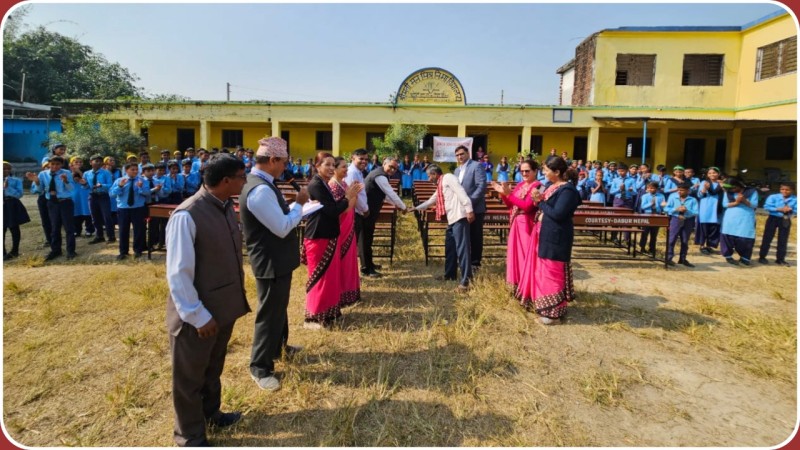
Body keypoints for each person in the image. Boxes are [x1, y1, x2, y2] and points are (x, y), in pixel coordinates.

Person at [165, 153, 249, 447]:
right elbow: (178, 274)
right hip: (197, 317)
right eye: (242, 177)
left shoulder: (224, 206)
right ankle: (190, 436)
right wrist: (197, 315)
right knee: (189, 379)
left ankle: (211, 414)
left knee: (213, 368)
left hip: (221, 309)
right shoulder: (187, 215)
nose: (245, 181)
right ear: (226, 181)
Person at [240, 137, 310, 391]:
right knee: (269, 314)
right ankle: (260, 367)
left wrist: (294, 208)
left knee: (278, 307)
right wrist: (299, 205)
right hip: (270, 260)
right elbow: (281, 226)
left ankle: (280, 347)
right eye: (283, 163)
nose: (285, 168)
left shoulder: (264, 184)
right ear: (272, 160)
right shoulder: (259, 190)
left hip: (277, 259)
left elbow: (275, 217)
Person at [516, 156, 582, 324]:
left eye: (546, 170)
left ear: (557, 172)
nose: (543, 173)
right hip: (545, 234)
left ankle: (553, 314)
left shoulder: (568, 191)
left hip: (557, 237)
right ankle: (544, 307)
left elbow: (558, 214)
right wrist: (538, 201)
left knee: (552, 272)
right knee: (543, 271)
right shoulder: (551, 186)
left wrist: (540, 202)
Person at [304, 152, 361, 328]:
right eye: (327, 165)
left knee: (330, 278)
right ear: (317, 166)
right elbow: (333, 210)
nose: (330, 168)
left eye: (332, 164)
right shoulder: (316, 184)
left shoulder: (323, 183)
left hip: (328, 234)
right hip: (319, 236)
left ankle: (328, 313)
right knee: (320, 278)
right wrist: (348, 196)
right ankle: (314, 317)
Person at [414, 164, 475, 291]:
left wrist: (469, 209)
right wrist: (415, 208)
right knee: (450, 248)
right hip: (452, 219)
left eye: (429, 176)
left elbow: (461, 192)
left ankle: (466, 281)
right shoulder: (441, 184)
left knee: (462, 249)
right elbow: (432, 200)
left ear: (435, 174)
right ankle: (450, 275)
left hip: (460, 216)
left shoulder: (448, 178)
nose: (428, 179)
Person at [491, 159, 541, 295]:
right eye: (521, 171)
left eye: (527, 171)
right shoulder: (520, 185)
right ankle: (517, 285)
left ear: (535, 171)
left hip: (527, 224)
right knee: (515, 255)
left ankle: (527, 288)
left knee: (525, 255)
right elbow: (511, 204)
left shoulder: (539, 186)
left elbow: (527, 206)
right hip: (516, 223)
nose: (524, 173)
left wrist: (508, 194)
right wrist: (503, 194)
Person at [362, 156, 409, 277]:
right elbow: (390, 193)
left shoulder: (381, 174)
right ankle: (367, 268)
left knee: (369, 238)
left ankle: (369, 264)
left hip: (370, 211)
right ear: (384, 164)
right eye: (391, 167)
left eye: (395, 168)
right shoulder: (380, 176)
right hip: (366, 211)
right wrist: (403, 207)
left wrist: (397, 205)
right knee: (365, 240)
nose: (392, 170)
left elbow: (385, 196)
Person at [27, 156, 77, 261]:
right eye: (52, 164)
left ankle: (71, 250)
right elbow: (39, 190)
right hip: (52, 203)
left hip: (65, 202)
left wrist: (66, 181)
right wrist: (36, 181)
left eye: (57, 164)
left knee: (69, 227)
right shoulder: (43, 174)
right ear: (49, 164)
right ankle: (56, 250)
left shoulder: (66, 173)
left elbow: (72, 189)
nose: (55, 166)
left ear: (61, 165)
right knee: (54, 227)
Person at [330, 157, 361, 307]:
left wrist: (353, 194)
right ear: (334, 169)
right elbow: (343, 208)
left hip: (349, 225)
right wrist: (353, 195)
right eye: (343, 167)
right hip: (341, 227)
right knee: (343, 260)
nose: (346, 169)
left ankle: (350, 291)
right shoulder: (333, 186)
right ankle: (342, 292)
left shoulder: (343, 183)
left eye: (346, 167)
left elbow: (351, 204)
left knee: (349, 260)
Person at [453, 145, 487, 271]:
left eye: (462, 154)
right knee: (463, 236)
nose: (460, 157)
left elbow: (481, 186)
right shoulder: (457, 170)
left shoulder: (476, 166)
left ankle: (475, 263)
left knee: (475, 235)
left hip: (475, 208)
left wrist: (469, 203)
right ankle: (464, 261)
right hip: (461, 208)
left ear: (468, 153)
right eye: (457, 155)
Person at [110, 162, 148, 260]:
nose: (135, 171)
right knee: (123, 230)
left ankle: (138, 250)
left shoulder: (142, 180)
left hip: (138, 208)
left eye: (136, 169)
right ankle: (123, 252)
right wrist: (120, 186)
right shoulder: (119, 180)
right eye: (132, 169)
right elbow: (112, 194)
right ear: (126, 170)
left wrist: (140, 187)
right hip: (123, 209)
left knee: (139, 230)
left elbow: (147, 193)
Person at [344, 149, 372, 274]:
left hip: (358, 211)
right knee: (352, 244)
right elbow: (354, 196)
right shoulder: (352, 173)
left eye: (366, 159)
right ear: (353, 158)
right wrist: (365, 209)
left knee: (355, 243)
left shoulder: (359, 172)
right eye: (361, 158)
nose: (364, 161)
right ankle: (349, 272)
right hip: (354, 211)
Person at [720, 177, 759, 266]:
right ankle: (728, 256)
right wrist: (736, 203)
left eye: (733, 188)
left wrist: (744, 201)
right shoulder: (728, 192)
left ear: (738, 185)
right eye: (730, 189)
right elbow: (724, 204)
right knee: (728, 236)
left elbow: (754, 205)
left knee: (745, 236)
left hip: (746, 218)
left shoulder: (752, 192)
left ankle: (745, 258)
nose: (732, 190)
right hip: (730, 217)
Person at [758, 182, 796, 266]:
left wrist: (790, 210)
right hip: (773, 218)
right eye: (782, 189)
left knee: (783, 239)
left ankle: (780, 259)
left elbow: (797, 210)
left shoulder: (795, 199)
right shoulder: (773, 197)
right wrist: (778, 209)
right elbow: (766, 206)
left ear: (792, 190)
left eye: (787, 190)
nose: (784, 191)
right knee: (767, 237)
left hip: (785, 219)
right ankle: (762, 257)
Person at [664, 182, 699, 267]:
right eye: (678, 190)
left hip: (688, 220)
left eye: (682, 190)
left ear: (688, 191)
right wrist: (675, 209)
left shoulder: (693, 200)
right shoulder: (673, 197)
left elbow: (696, 212)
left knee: (685, 240)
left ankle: (682, 259)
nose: (679, 192)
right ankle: (668, 258)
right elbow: (666, 208)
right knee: (671, 240)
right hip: (675, 219)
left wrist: (687, 211)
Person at [85, 154, 115, 244]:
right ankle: (99, 236)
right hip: (92, 196)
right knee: (94, 217)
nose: (99, 163)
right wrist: (83, 184)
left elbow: (110, 185)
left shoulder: (106, 173)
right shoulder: (87, 173)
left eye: (100, 161)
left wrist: (102, 185)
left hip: (103, 196)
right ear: (90, 162)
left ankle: (111, 236)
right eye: (96, 161)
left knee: (106, 216)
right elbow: (85, 187)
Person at [3, 162, 31, 260]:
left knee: (13, 227)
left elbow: (19, 194)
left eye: (8, 169)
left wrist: (8, 188)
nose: (6, 170)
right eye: (3, 168)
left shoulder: (16, 180)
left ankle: (15, 250)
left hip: (12, 204)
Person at [695, 166, 724, 255]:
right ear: (707, 175)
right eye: (710, 173)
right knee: (704, 227)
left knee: (714, 228)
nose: (712, 174)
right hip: (706, 208)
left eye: (714, 173)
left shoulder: (722, 184)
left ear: (718, 174)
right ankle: (702, 245)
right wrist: (704, 189)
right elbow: (699, 195)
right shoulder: (704, 182)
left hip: (717, 208)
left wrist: (723, 188)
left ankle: (709, 246)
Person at [637, 182, 665, 255]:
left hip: (657, 214)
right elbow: (643, 206)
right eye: (649, 188)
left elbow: (663, 206)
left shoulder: (661, 196)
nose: (650, 189)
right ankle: (642, 247)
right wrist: (651, 204)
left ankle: (652, 248)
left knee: (654, 233)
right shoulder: (645, 196)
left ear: (656, 189)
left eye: (652, 188)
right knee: (645, 232)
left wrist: (663, 206)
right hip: (647, 214)